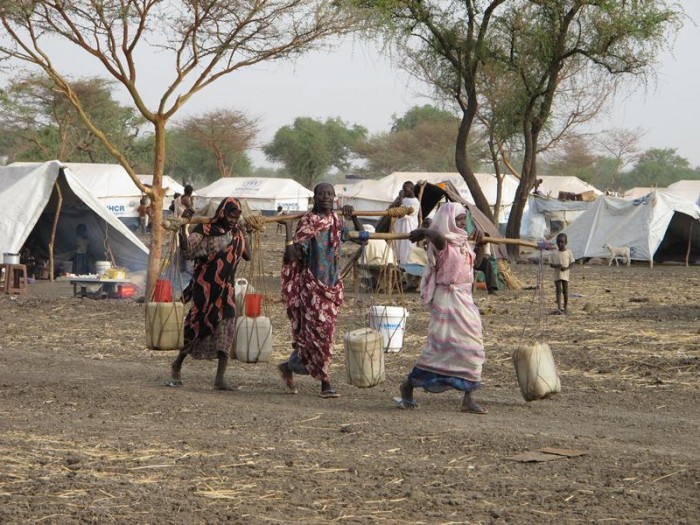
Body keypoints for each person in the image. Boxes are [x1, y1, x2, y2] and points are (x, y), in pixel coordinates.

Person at [394, 202, 488, 414]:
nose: (463, 224)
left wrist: (481, 244)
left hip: (465, 299)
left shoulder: (464, 243)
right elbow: (437, 237)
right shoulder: (442, 242)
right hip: (446, 299)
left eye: (464, 220)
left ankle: (468, 398)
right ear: (447, 221)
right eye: (458, 220)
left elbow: (478, 264)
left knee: (473, 347)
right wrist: (425, 231)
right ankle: (408, 386)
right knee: (439, 348)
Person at [277, 182, 364, 398]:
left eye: (329, 193)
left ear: (335, 197)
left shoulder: (337, 221)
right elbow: (292, 256)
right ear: (314, 197)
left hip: (332, 287)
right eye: (321, 193)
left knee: (316, 337)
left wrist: (353, 217)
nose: (325, 197)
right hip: (312, 287)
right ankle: (325, 383)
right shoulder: (308, 222)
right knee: (322, 336)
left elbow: (363, 237)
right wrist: (288, 228)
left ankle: (288, 367)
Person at [167, 198, 251, 390]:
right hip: (205, 289)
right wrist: (183, 228)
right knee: (198, 326)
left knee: (227, 327)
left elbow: (248, 256)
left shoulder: (236, 232)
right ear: (222, 213)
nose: (233, 220)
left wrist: (245, 232)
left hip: (226, 288)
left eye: (237, 217)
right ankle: (177, 364)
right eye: (231, 216)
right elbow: (187, 253)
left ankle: (219, 379)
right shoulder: (204, 231)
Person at [391, 181, 421, 265]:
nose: (404, 191)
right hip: (400, 226)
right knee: (399, 246)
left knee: (407, 247)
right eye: (403, 189)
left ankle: (406, 265)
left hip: (408, 226)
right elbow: (396, 208)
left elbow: (402, 212)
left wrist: (400, 197)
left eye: (405, 189)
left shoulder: (415, 202)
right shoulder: (405, 199)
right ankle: (399, 264)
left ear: (411, 189)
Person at [550, 232, 575, 315]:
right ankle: (559, 307)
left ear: (566, 242)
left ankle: (565, 307)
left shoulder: (569, 252)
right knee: (558, 290)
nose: (560, 244)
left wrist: (566, 268)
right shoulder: (554, 253)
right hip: (557, 275)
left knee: (565, 291)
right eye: (558, 242)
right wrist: (557, 265)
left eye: (562, 242)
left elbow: (572, 263)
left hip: (565, 275)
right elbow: (551, 264)